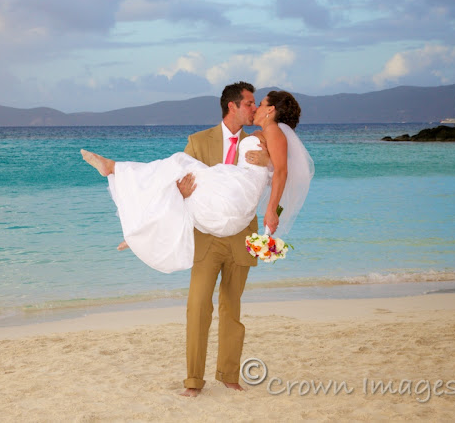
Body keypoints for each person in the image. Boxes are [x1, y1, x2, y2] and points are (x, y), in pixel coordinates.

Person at [81, 85, 313, 396]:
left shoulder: (262, 137)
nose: (253, 108)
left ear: (270, 111)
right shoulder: (199, 140)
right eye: (248, 103)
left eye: (258, 104)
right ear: (232, 106)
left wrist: (273, 202)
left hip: (241, 232)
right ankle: (193, 381)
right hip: (206, 235)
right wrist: (182, 191)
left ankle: (230, 375)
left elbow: (281, 173)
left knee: (232, 308)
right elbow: (177, 184)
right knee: (198, 306)